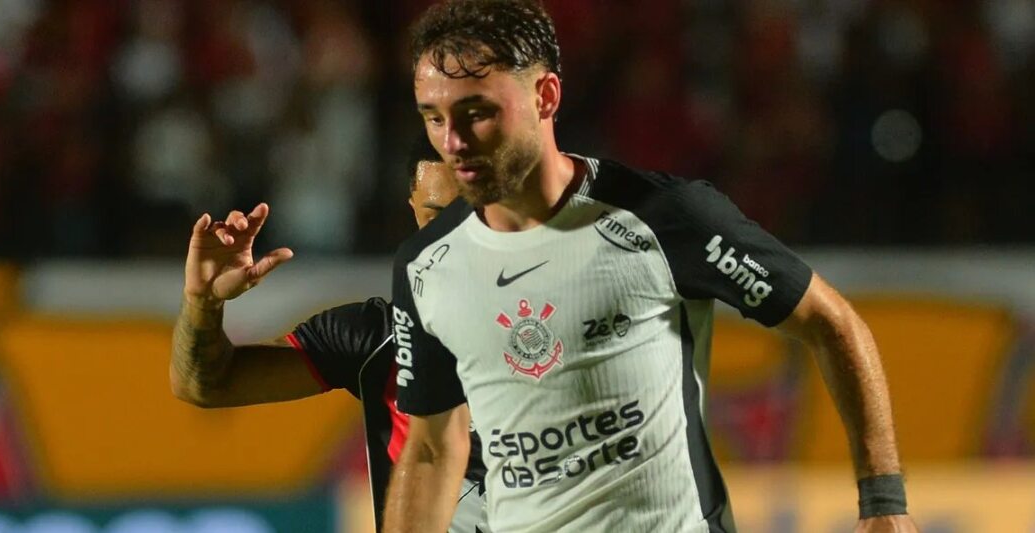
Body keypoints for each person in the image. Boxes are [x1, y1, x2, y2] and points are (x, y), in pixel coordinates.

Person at [383, 1, 919, 532]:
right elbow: (431, 449)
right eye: (434, 117)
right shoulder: (425, 265)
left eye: (476, 113)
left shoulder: (662, 217)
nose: (453, 142)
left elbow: (831, 323)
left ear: (545, 96)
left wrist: (884, 503)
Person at [169, 140, 488, 533]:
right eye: (435, 217)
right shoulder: (375, 339)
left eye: (470, 214)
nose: (451, 236)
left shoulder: (557, 324)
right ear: (412, 211)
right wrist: (202, 302)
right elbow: (204, 385)